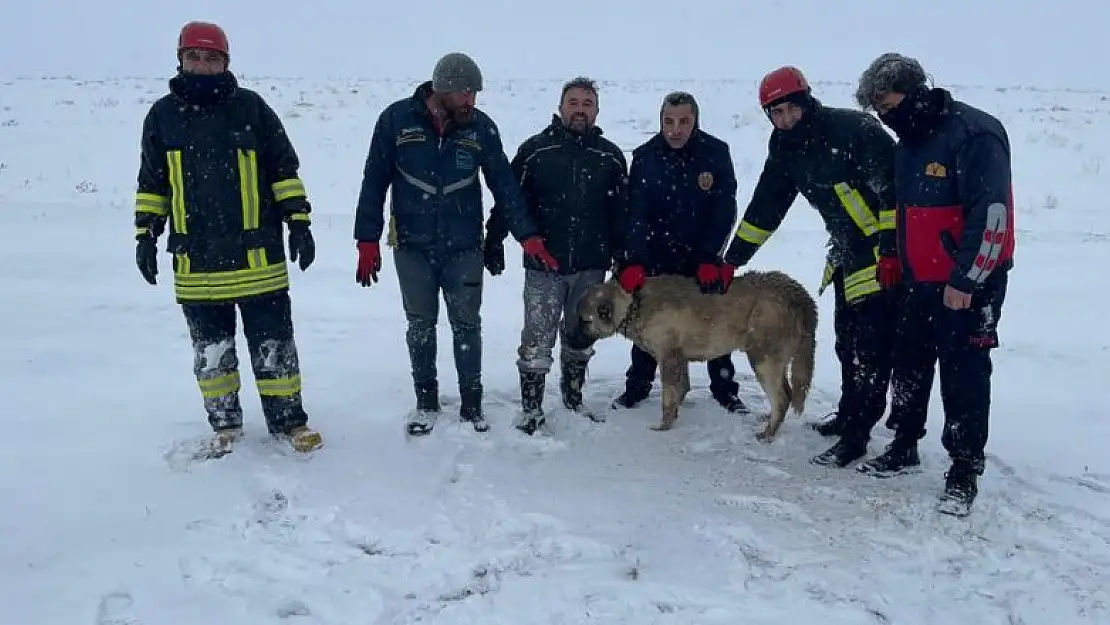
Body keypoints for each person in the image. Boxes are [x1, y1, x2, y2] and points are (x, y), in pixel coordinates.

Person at [133, 21, 322, 457]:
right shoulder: (162, 116)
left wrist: (299, 222)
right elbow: (153, 183)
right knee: (212, 355)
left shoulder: (252, 110)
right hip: (196, 264)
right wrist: (145, 234)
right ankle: (225, 426)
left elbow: (283, 171)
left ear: (226, 63)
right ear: (180, 59)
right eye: (194, 57)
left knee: (275, 349)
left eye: (211, 58)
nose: (202, 66)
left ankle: (289, 421)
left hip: (259, 259)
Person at [719, 66, 912, 471]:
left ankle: (858, 436)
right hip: (847, 257)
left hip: (884, 256)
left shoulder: (854, 131)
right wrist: (732, 261)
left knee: (871, 352)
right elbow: (764, 210)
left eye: (791, 109)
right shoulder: (785, 149)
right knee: (847, 343)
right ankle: (848, 415)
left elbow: (894, 196)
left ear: (806, 102)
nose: (785, 120)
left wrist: (891, 252)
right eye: (776, 113)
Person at [353, 52, 556, 436]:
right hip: (412, 245)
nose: (471, 101)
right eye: (464, 92)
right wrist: (367, 239)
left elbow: (506, 187)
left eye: (474, 93)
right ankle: (426, 401)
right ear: (441, 89)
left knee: (466, 324)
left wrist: (526, 235)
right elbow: (374, 180)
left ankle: (472, 403)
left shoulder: (481, 129)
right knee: (421, 325)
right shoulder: (397, 121)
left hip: (464, 246)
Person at [854, 52, 1015, 515]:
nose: (885, 117)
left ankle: (964, 468)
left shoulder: (972, 133)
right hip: (918, 279)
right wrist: (893, 254)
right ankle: (903, 444)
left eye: (888, 105)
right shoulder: (907, 142)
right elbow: (903, 211)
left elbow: (992, 216)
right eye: (878, 111)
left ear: (914, 91)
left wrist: (966, 279)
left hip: (970, 282)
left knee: (963, 373)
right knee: (909, 362)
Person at [485, 76, 630, 435]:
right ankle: (531, 409)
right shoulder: (536, 151)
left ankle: (573, 398)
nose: (580, 109)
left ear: (596, 110)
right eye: (574, 102)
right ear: (561, 106)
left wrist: (622, 256)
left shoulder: (610, 157)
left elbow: (622, 213)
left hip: (591, 266)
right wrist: (495, 238)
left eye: (587, 103)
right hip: (544, 265)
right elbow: (509, 199)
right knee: (538, 336)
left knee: (580, 334)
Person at [613, 91, 745, 412]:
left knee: (712, 322)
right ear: (660, 121)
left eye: (684, 121)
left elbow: (724, 210)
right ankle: (638, 386)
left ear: (695, 121)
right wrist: (635, 261)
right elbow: (637, 213)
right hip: (657, 260)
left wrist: (709, 257)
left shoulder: (715, 153)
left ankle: (725, 389)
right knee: (649, 323)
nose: (675, 129)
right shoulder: (645, 156)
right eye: (669, 122)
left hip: (701, 261)